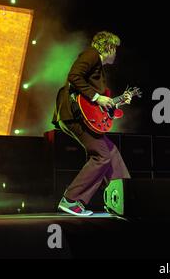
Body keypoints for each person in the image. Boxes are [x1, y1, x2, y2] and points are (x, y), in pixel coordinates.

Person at [52, 31, 132, 216]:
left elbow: (100, 108)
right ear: (109, 47)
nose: (116, 53)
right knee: (101, 155)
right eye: (115, 49)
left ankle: (123, 198)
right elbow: (74, 76)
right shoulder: (91, 54)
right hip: (74, 116)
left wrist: (117, 102)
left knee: (111, 152)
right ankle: (71, 200)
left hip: (81, 117)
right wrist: (97, 97)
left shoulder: (98, 69)